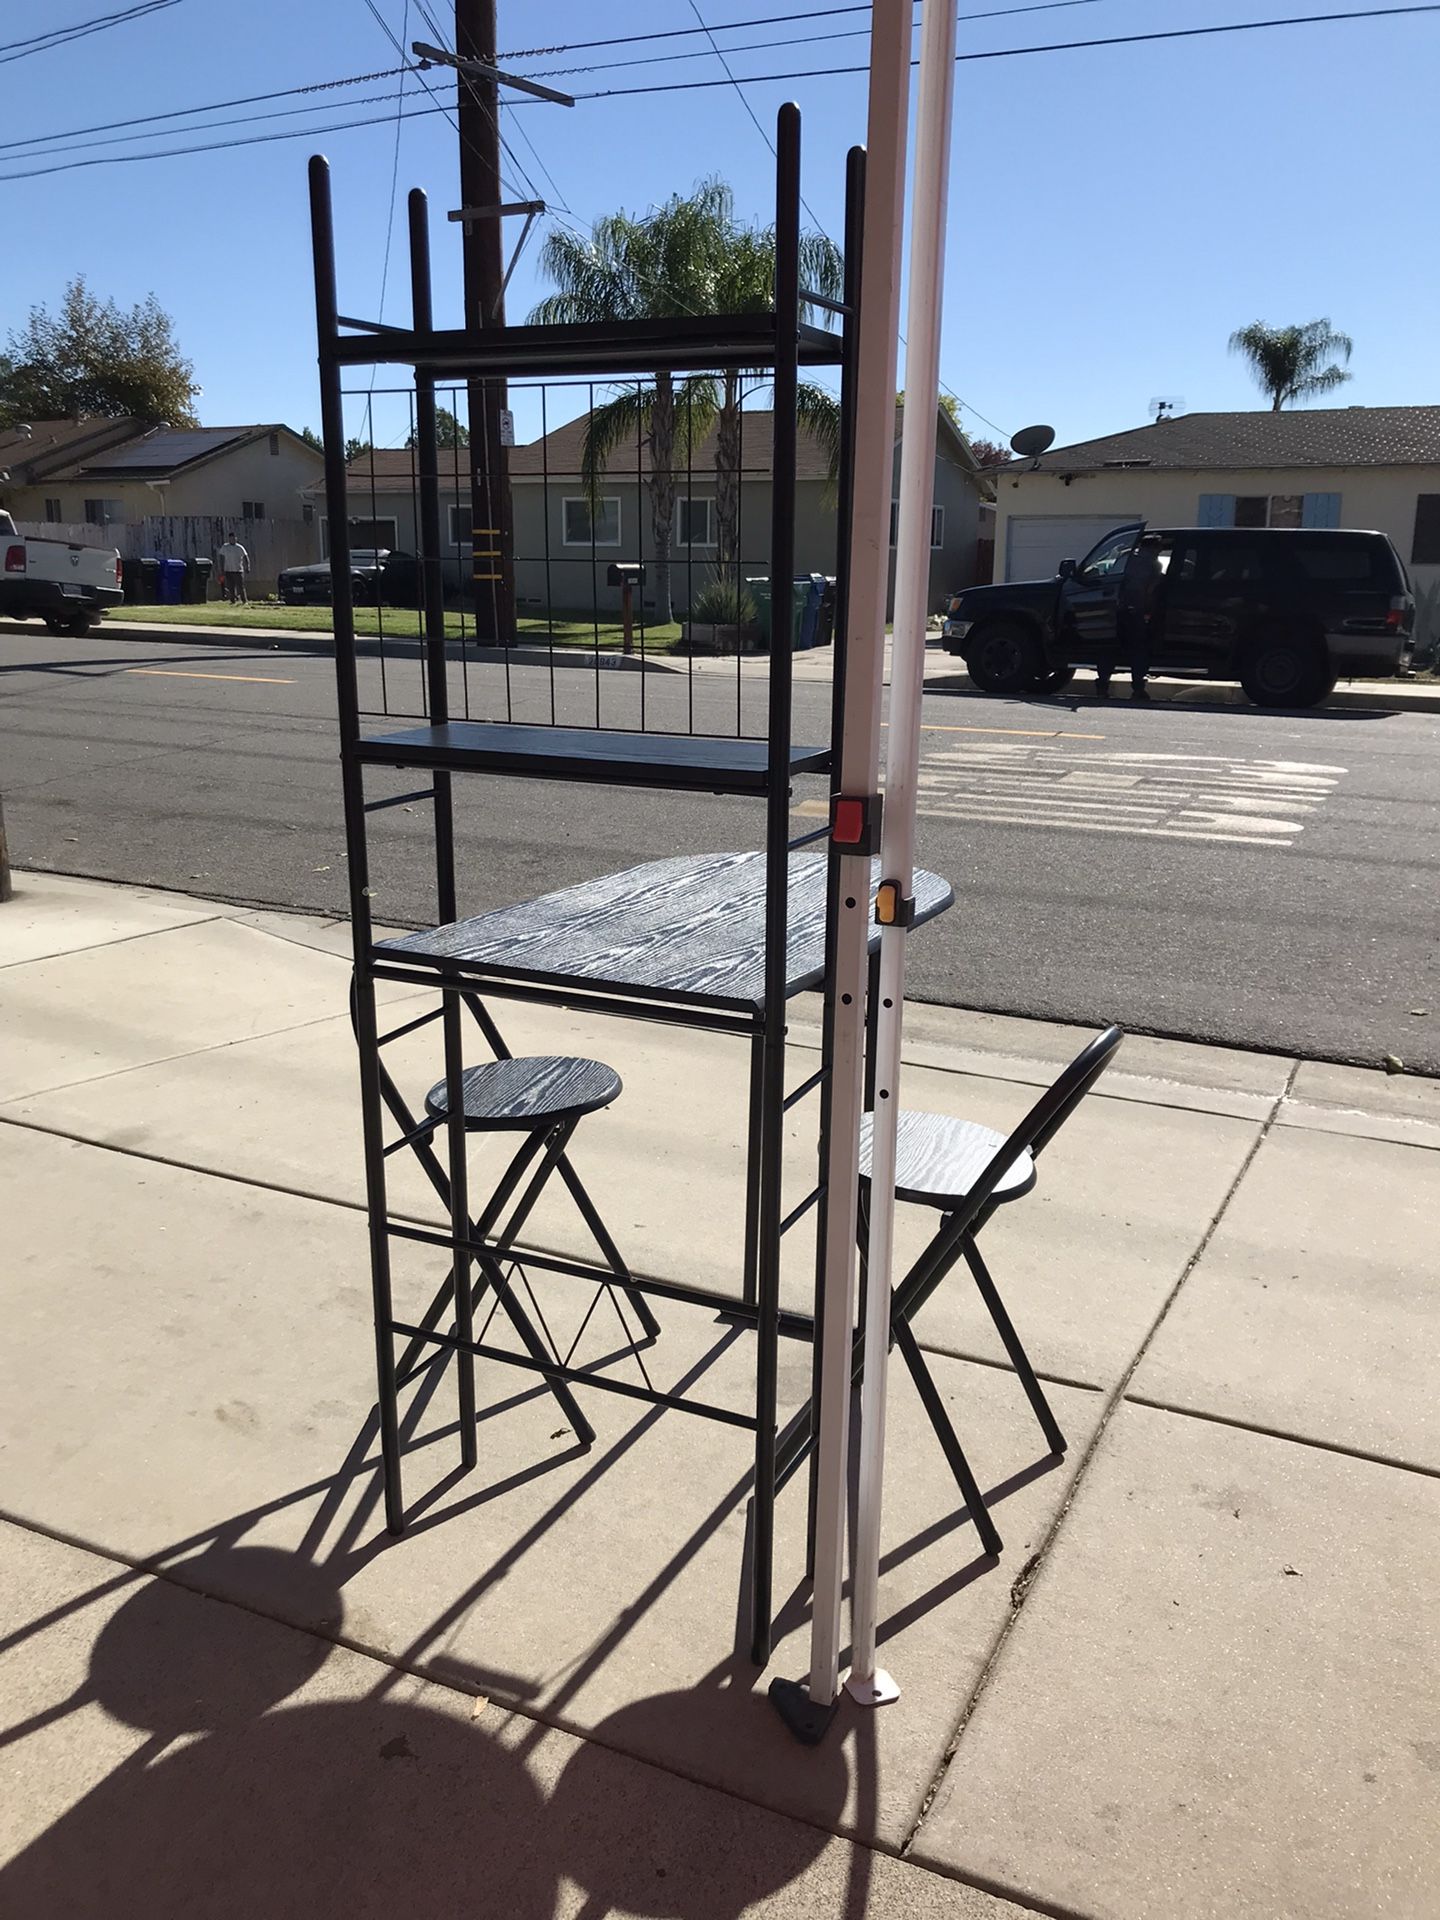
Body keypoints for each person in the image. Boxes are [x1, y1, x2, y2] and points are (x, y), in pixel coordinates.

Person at [1095, 534, 1164, 701]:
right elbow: (1151, 590)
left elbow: (1109, 578)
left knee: (1109, 648)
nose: (1160, 550)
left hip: (1116, 610)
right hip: (1137, 612)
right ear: (1153, 548)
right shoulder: (1154, 564)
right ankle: (1138, 688)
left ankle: (1102, 686)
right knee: (1139, 651)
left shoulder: (1125, 557)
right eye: (1159, 547)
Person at [218, 534, 250, 605]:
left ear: (236, 539)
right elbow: (221, 557)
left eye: (233, 538)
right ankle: (233, 600)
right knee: (230, 586)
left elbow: (245, 557)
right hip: (228, 569)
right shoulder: (225, 547)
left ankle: (244, 600)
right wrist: (222, 568)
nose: (232, 540)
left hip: (238, 570)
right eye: (230, 538)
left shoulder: (239, 547)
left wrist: (247, 566)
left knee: (240, 586)